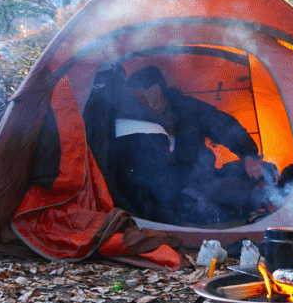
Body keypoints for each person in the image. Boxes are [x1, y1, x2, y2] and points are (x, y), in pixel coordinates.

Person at [110, 65, 267, 225]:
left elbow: (222, 125)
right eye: (135, 98)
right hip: (162, 198)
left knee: (245, 186)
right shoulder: (130, 121)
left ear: (156, 91)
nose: (140, 102)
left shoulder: (185, 107)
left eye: (143, 95)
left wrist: (248, 154)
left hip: (200, 180)